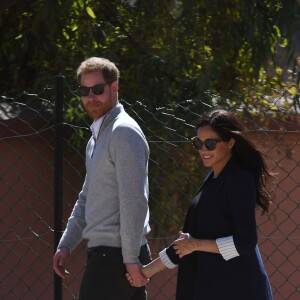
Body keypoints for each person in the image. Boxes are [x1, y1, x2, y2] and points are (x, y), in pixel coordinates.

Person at [127, 109, 274, 300]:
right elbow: (186, 244)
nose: (203, 150)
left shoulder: (238, 180)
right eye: (198, 143)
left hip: (239, 288)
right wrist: (145, 272)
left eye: (210, 144)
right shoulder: (212, 179)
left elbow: (245, 242)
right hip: (212, 286)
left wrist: (195, 245)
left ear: (230, 142)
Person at [53, 57, 151, 300]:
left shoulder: (123, 132)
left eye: (98, 89)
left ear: (114, 87)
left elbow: (134, 199)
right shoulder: (97, 137)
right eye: (84, 91)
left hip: (116, 258)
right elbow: (87, 197)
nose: (91, 97)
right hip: (107, 255)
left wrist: (130, 258)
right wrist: (66, 244)